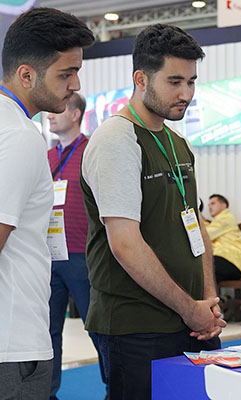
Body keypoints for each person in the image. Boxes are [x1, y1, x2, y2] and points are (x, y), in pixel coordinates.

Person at [80, 24, 225, 399]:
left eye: (191, 82)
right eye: (174, 81)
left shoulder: (177, 142)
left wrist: (207, 302)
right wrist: (190, 309)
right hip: (136, 326)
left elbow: (196, 225)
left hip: (189, 321)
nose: (186, 94)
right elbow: (125, 245)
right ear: (141, 79)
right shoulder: (116, 140)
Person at [0, 7, 94, 399]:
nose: (75, 84)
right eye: (66, 73)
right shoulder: (19, 136)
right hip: (14, 345)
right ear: (26, 75)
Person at [46, 93, 105, 399]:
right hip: (48, 255)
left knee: (97, 327)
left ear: (75, 114)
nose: (49, 115)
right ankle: (47, 391)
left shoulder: (91, 151)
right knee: (48, 330)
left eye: (57, 110)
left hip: (83, 254)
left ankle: (114, 386)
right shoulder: (47, 156)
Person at [206, 194, 241, 283]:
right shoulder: (217, 222)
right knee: (204, 272)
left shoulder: (226, 218)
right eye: (208, 205)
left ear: (224, 205)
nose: (209, 207)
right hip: (225, 260)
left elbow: (206, 235)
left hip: (232, 261)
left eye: (213, 203)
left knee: (204, 269)